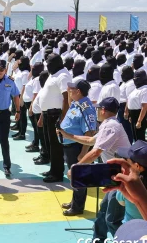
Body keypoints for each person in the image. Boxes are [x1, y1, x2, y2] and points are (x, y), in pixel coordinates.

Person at [61, 97, 129, 242]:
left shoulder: (111, 126)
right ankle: (98, 239)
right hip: (115, 178)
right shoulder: (108, 124)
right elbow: (90, 140)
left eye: (98, 108)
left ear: (103, 110)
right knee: (103, 212)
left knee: (111, 219)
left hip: (121, 178)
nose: (97, 111)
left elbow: (96, 151)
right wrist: (67, 135)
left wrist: (76, 168)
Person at [58, 79, 97, 216]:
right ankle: (75, 201)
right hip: (69, 145)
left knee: (79, 176)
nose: (69, 90)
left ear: (78, 91)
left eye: (71, 89)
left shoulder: (86, 108)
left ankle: (77, 207)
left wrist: (83, 153)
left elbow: (90, 132)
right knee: (73, 175)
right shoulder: (76, 103)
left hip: (77, 146)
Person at [38, 53, 71, 182]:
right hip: (48, 114)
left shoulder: (63, 75)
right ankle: (53, 169)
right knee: (50, 144)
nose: (47, 66)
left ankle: (57, 174)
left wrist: (62, 117)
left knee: (56, 145)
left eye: (49, 63)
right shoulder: (54, 74)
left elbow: (66, 98)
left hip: (56, 115)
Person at [116, 140, 147, 223]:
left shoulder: (128, 185)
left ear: (137, 166)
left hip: (132, 230)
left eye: (128, 160)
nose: (125, 161)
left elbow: (121, 202)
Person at [125, 69, 147, 142]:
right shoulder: (136, 89)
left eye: (136, 78)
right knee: (135, 138)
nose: (134, 80)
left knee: (141, 139)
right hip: (133, 116)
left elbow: (144, 106)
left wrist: (139, 121)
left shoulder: (145, 89)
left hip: (139, 116)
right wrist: (129, 115)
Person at [118, 66, 135, 144]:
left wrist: (126, 111)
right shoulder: (125, 82)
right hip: (120, 107)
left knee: (127, 130)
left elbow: (129, 98)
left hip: (124, 107)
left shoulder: (131, 83)